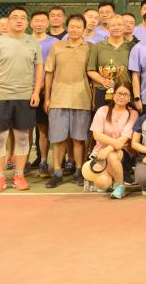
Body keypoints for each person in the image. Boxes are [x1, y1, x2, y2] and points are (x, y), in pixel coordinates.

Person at [0, 7, 43, 192]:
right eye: (15, 17)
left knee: (23, 137)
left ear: (27, 22)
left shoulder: (33, 43)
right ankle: (0, 177)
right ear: (8, 21)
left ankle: (19, 175)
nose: (19, 20)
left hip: (25, 97)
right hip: (1, 97)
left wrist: (36, 92)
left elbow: (39, 68)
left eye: (23, 18)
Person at [44, 14, 93, 188]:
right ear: (67, 27)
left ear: (84, 29)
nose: (75, 29)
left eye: (78, 27)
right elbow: (49, 73)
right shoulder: (57, 46)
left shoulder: (90, 48)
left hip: (82, 99)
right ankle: (57, 172)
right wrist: (47, 98)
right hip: (58, 99)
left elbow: (93, 74)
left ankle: (79, 171)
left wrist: (92, 98)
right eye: (72, 26)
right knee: (58, 139)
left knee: (79, 139)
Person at [90, 83, 138, 200]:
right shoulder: (102, 110)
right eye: (119, 93)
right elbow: (96, 134)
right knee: (103, 184)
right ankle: (113, 179)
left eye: (125, 94)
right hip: (99, 153)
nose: (121, 97)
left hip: (122, 153)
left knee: (112, 155)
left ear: (130, 98)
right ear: (113, 95)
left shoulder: (133, 113)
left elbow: (123, 140)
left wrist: (108, 149)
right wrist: (110, 146)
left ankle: (120, 186)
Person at [28, 10, 58, 174]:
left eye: (42, 21)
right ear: (31, 23)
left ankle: (44, 162)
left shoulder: (54, 43)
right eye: (36, 20)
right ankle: (23, 162)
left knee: (43, 129)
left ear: (47, 23)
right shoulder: (24, 41)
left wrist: (41, 88)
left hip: (45, 91)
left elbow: (53, 68)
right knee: (24, 129)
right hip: (25, 90)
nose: (39, 24)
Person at [87, 14, 133, 118]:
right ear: (107, 27)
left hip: (125, 91)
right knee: (103, 121)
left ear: (124, 27)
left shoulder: (132, 46)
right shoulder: (98, 47)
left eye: (119, 25)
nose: (116, 28)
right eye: (113, 25)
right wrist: (103, 80)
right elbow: (90, 70)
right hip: (104, 91)